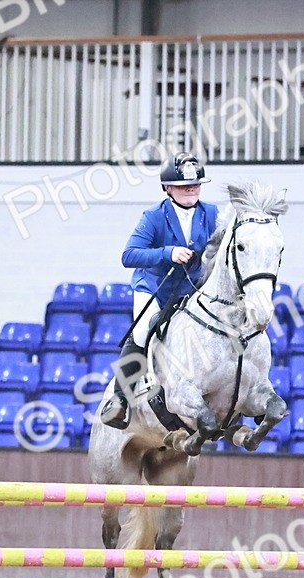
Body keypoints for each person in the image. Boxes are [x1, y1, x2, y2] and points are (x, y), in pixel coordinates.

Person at [99, 152, 220, 429]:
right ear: (167, 188)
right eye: (183, 186)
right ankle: (120, 400)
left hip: (192, 288)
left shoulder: (211, 213)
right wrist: (167, 252)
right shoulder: (154, 216)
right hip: (156, 287)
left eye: (195, 184)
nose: (191, 189)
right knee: (142, 331)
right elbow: (129, 255)